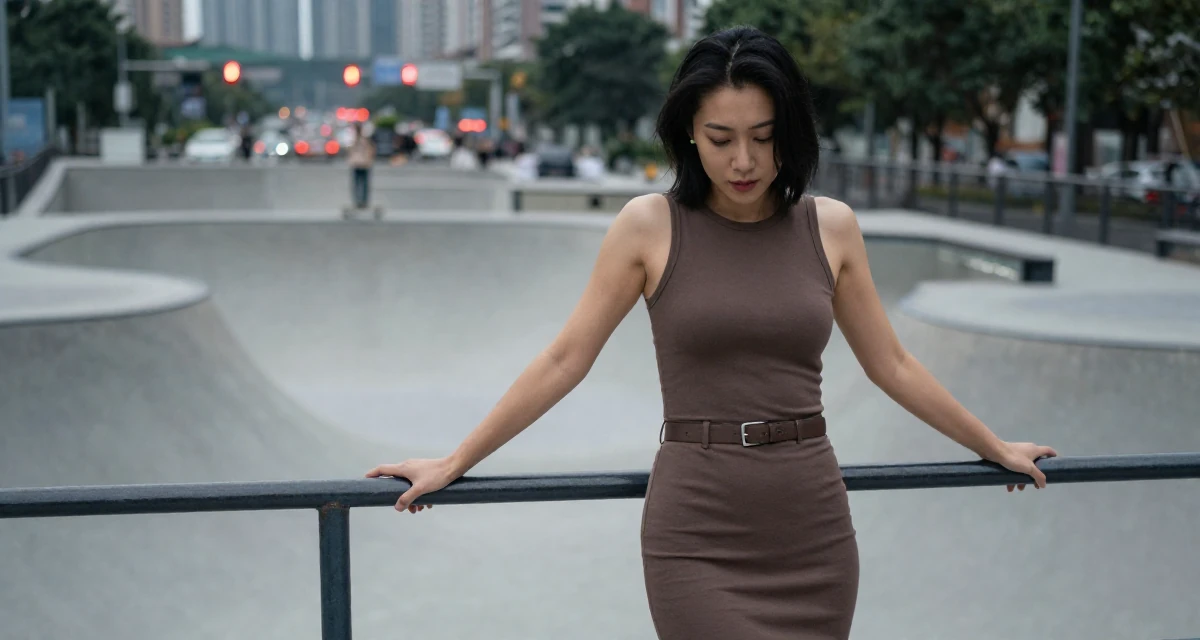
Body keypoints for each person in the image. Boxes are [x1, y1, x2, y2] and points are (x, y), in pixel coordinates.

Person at [366, 26, 1056, 639]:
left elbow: (893, 365)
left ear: (791, 132)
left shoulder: (833, 227)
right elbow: (564, 359)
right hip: (697, 532)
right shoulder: (649, 226)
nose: (745, 161)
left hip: (811, 525)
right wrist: (456, 462)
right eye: (722, 140)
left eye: (763, 137)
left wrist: (992, 446)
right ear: (690, 135)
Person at [346, 122, 376, 209]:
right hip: (359, 163)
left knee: (361, 184)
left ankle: (362, 201)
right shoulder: (356, 139)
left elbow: (370, 150)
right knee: (359, 184)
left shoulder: (363, 140)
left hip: (362, 163)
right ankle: (359, 201)